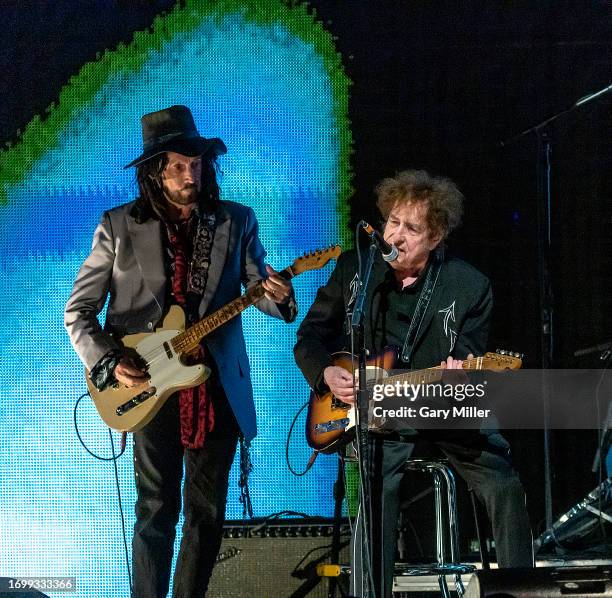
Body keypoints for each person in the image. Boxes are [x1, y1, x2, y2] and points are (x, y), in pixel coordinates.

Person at [65, 105, 296, 598]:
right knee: (155, 509)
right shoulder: (118, 225)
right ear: (155, 170)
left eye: (196, 164)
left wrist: (280, 294)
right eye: (177, 165)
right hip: (147, 383)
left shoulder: (237, 220)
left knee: (207, 514)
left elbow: (261, 287)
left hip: (214, 387)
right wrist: (108, 361)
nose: (189, 175)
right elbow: (79, 312)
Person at [294, 170, 533, 597]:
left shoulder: (469, 285)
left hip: (440, 406)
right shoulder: (356, 268)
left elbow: (469, 364)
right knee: (376, 481)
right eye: (393, 223)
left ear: (436, 236)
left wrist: (460, 373)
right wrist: (325, 373)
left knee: (504, 483)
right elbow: (310, 337)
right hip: (375, 417)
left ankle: (519, 589)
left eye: (412, 228)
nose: (397, 236)